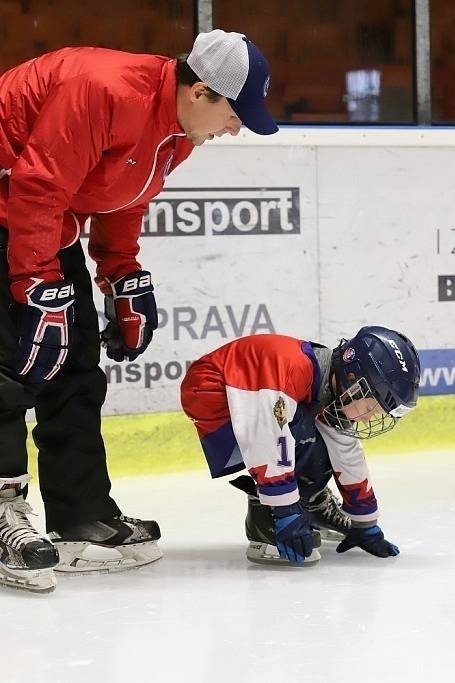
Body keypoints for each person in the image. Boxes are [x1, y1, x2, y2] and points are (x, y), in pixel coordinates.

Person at [0, 29, 278, 592]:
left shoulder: (176, 131)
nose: (235, 128)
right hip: (15, 206)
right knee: (12, 364)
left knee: (76, 364)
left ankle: (81, 517)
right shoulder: (101, 90)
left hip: (41, 223)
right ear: (200, 91)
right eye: (234, 113)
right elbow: (37, 184)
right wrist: (35, 284)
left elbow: (124, 197)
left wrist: (121, 276)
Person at [181, 326, 421, 567]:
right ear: (352, 379)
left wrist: (364, 522)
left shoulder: (330, 380)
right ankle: (267, 524)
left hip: (249, 391)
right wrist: (286, 511)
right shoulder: (290, 370)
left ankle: (307, 504)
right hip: (212, 393)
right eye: (371, 407)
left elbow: (345, 450)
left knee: (323, 440)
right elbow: (267, 437)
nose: (369, 418)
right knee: (300, 437)